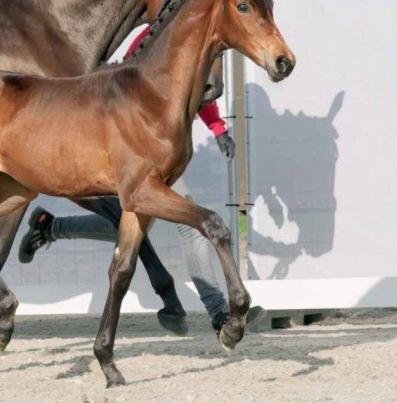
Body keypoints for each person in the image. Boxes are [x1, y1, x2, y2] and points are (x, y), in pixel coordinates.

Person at [18, 25, 266, 338]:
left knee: (130, 226)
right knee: (189, 221)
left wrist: (217, 128)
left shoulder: (201, 31)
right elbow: (131, 76)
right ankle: (217, 311)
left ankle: (50, 228)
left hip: (164, 148)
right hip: (141, 148)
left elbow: (199, 87)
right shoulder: (159, 31)